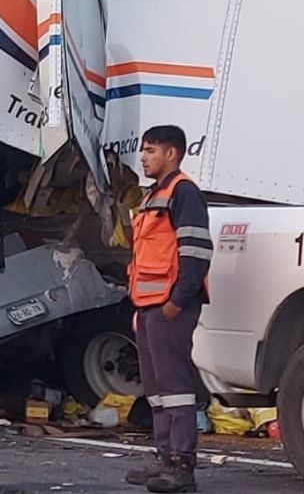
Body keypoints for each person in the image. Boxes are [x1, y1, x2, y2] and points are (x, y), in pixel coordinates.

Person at [124, 126, 212, 493]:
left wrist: (176, 303)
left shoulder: (183, 192)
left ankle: (181, 465)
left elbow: (196, 254)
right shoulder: (153, 196)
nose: (142, 157)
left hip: (169, 307)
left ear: (172, 154)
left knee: (175, 387)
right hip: (149, 308)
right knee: (157, 389)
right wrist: (140, 308)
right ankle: (163, 456)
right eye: (143, 150)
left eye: (150, 150)